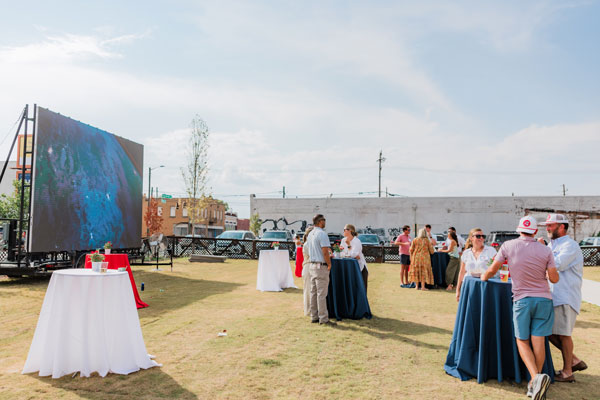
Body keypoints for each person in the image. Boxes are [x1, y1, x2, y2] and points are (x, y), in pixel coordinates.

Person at [482, 216, 559, 400]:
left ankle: (535, 378)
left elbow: (493, 269)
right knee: (538, 341)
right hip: (544, 299)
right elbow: (554, 278)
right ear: (535, 231)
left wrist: (484, 277)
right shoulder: (545, 250)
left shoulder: (508, 246)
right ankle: (535, 383)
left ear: (519, 230)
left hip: (522, 300)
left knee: (522, 340)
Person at [538, 214, 586, 382]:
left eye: (551, 225)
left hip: (565, 296)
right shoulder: (552, 244)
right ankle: (574, 361)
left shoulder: (570, 245)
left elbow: (556, 265)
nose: (547, 228)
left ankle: (567, 372)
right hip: (553, 296)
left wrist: (541, 251)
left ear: (562, 227)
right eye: (547, 225)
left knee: (564, 334)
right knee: (548, 332)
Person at [305, 214, 336, 326]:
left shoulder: (310, 234)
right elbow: (325, 251)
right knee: (321, 294)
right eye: (324, 220)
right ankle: (323, 318)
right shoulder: (322, 234)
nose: (325, 222)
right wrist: (329, 264)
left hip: (312, 265)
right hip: (320, 265)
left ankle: (314, 316)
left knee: (313, 292)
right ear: (319, 221)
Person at [455, 228, 497, 301]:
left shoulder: (491, 251)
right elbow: (461, 272)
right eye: (478, 236)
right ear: (471, 238)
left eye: (483, 236)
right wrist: (458, 290)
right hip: (468, 285)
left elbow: (497, 269)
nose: (481, 238)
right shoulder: (466, 253)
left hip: (485, 285)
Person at [339, 224, 368, 293]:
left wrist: (349, 245)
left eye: (344, 230)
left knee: (361, 290)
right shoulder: (343, 240)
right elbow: (341, 253)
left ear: (350, 231)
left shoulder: (357, 241)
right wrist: (348, 255)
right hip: (348, 267)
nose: (343, 231)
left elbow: (354, 255)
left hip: (360, 268)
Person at [301, 227, 314, 316]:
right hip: (308, 266)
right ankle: (309, 310)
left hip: (312, 266)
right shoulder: (307, 244)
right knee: (308, 290)